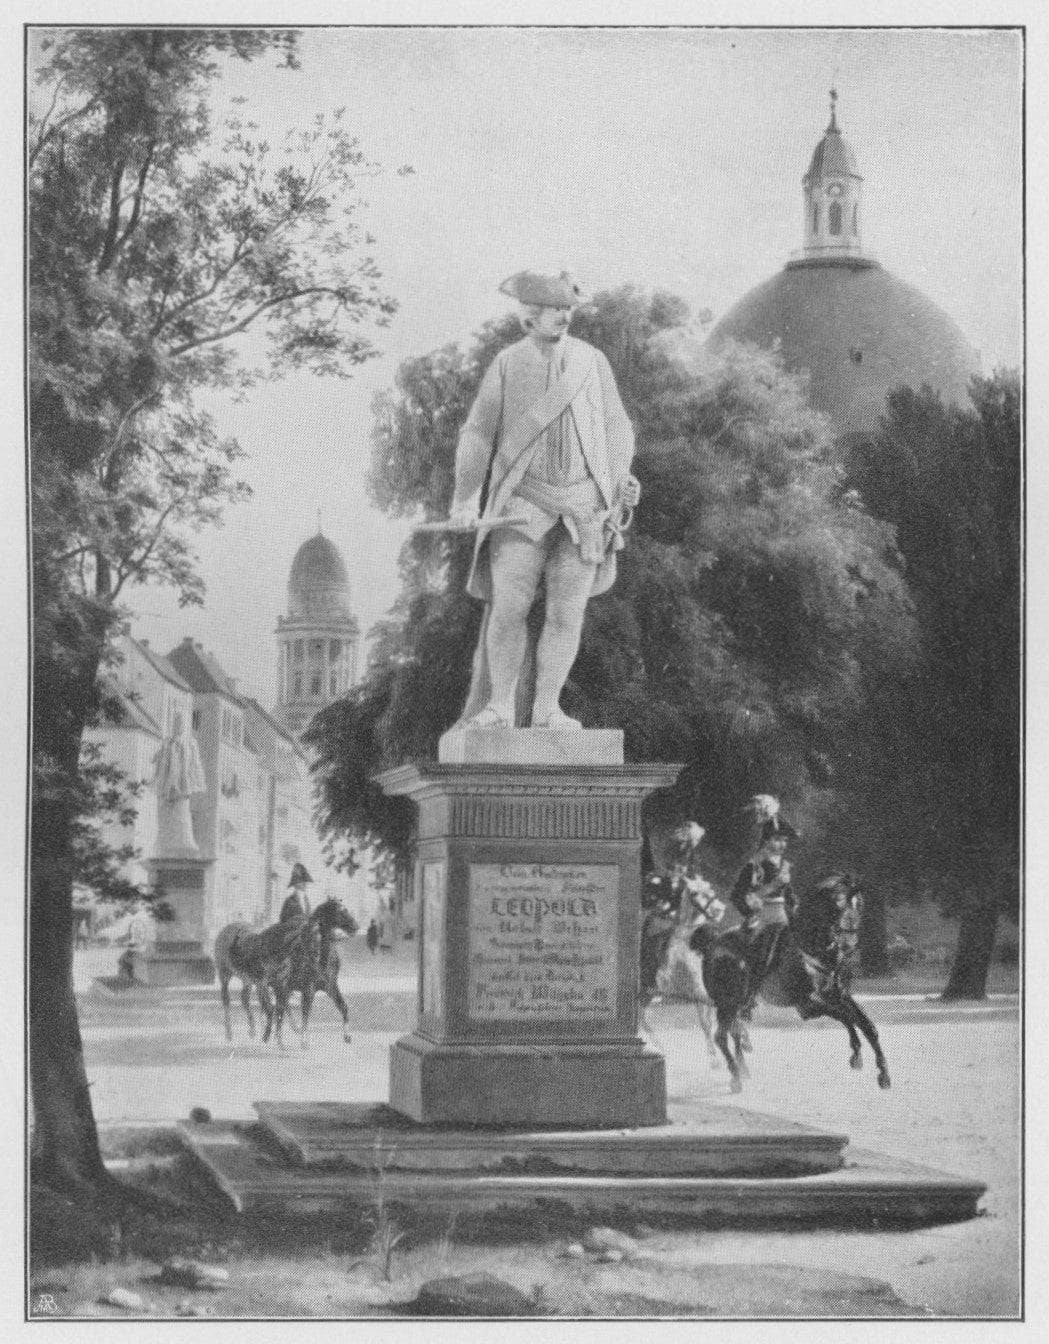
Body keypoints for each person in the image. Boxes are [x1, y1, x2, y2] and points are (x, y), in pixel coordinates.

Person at [449, 270, 640, 729]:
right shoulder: (507, 363)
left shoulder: (593, 362)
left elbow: (617, 426)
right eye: (555, 309)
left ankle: (547, 708)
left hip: (584, 507)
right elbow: (478, 433)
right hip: (522, 503)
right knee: (509, 609)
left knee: (566, 614)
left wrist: (621, 480)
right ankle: (500, 705)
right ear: (530, 315)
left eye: (568, 309)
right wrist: (465, 500)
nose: (564, 316)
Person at [117, 899, 154, 985]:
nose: (127, 910)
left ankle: (130, 980)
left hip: (140, 948)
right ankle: (129, 979)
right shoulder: (135, 918)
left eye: (128, 907)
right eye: (126, 908)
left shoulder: (140, 919)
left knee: (124, 960)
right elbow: (133, 934)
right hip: (137, 947)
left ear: (134, 905)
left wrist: (130, 943)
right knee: (123, 960)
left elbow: (141, 937)